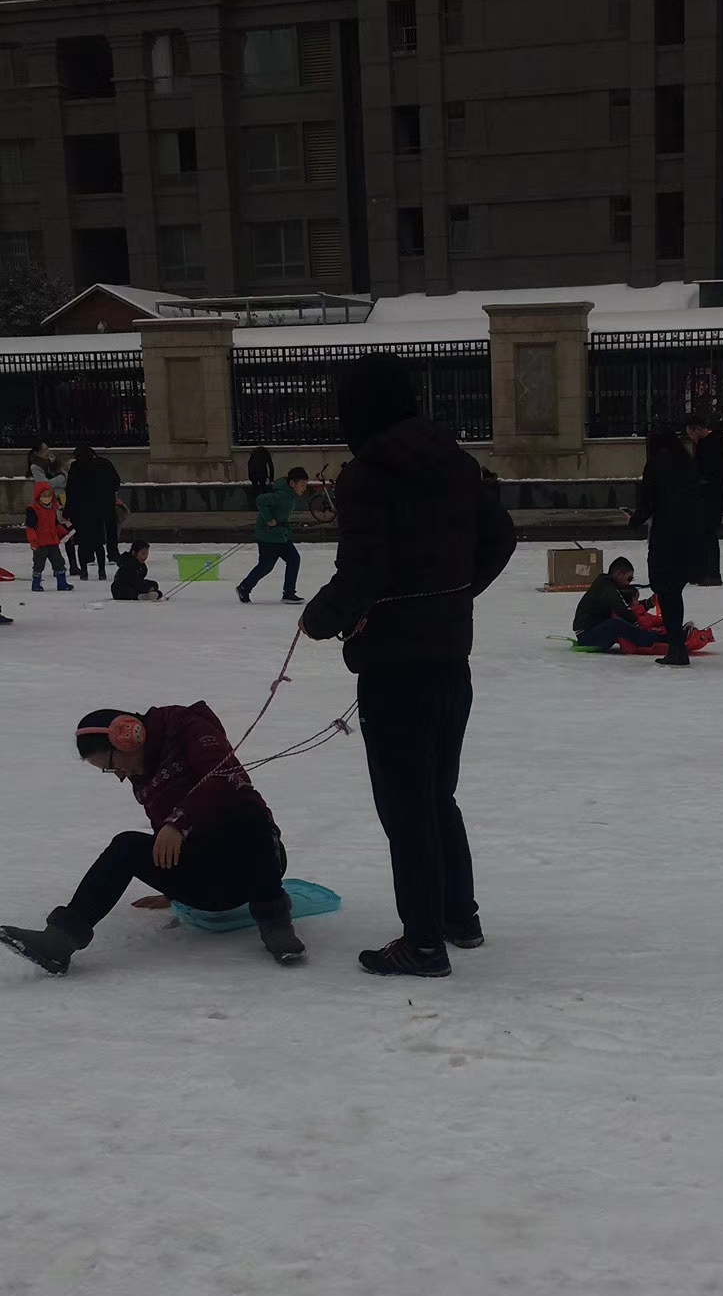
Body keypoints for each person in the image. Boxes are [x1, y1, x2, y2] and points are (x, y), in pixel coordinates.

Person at [301, 352, 517, 978]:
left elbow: (362, 572)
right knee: (436, 795)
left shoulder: (367, 474)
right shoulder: (454, 462)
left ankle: (422, 944)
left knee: (405, 807)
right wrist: (452, 598)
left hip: (395, 666)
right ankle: (459, 916)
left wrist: (319, 618)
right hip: (451, 658)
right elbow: (500, 538)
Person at [0, 704, 305, 975]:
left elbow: (224, 776)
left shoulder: (188, 727)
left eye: (110, 764)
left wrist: (178, 823)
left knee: (244, 812)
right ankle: (60, 941)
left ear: (127, 735)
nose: (118, 775)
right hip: (211, 883)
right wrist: (170, 884)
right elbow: (162, 830)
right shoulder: (140, 772)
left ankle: (276, 925)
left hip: (259, 863)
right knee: (126, 845)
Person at [627, 424, 705, 667]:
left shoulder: (655, 466)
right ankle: (676, 646)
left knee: (666, 593)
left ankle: (676, 647)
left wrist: (633, 521)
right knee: (675, 592)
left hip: (665, 539)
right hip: (689, 537)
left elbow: (648, 502)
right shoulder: (687, 464)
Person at [236, 467, 309, 604]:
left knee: (293, 559)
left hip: (281, 536)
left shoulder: (289, 495)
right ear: (292, 484)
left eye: (306, 485)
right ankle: (244, 587)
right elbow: (261, 500)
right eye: (302, 485)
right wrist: (269, 519)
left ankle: (289, 593)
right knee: (266, 566)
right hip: (268, 537)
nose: (304, 488)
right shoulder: (282, 495)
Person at [64, 442, 122, 580]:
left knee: (84, 540)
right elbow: (116, 481)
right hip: (105, 505)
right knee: (105, 534)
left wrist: (68, 512)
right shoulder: (105, 463)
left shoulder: (76, 467)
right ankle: (110, 557)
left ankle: (85, 569)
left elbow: (71, 490)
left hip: (83, 509)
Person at [573, 556, 656, 650]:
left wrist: (648, 603)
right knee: (616, 623)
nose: (628, 583)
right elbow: (622, 608)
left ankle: (651, 637)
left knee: (618, 622)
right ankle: (652, 640)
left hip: (593, 631)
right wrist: (638, 624)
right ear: (618, 574)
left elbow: (627, 607)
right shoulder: (606, 586)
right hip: (587, 636)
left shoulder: (608, 586)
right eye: (629, 578)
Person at [686, 412, 723, 586]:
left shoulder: (710, 446)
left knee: (708, 535)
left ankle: (711, 573)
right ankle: (703, 571)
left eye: (690, 433)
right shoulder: (712, 444)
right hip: (709, 497)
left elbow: (707, 472)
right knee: (703, 535)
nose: (691, 438)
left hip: (709, 498)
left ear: (696, 430)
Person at [25, 481, 74, 592]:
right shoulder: (33, 510)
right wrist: (33, 541)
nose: (46, 499)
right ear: (38, 497)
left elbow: (55, 524)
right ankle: (36, 584)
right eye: (44, 497)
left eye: (49, 496)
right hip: (40, 543)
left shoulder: (53, 509)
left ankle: (62, 583)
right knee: (38, 564)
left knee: (59, 562)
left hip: (53, 542)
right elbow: (30, 527)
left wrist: (64, 533)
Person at [247, 444, 275, 510]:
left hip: (254, 473)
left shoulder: (254, 454)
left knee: (255, 489)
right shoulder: (266, 453)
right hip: (262, 473)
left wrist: (250, 476)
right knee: (263, 488)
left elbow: (249, 464)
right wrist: (271, 477)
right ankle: (263, 504)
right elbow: (271, 466)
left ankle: (254, 505)